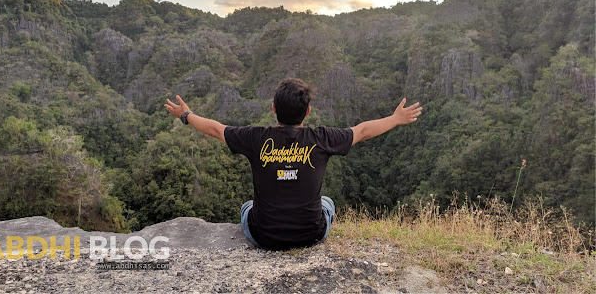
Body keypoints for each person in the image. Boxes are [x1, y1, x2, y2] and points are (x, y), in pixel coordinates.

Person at [164, 78, 422, 250]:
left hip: (263, 237)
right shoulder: (321, 138)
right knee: (328, 203)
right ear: (307, 112)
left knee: (248, 206)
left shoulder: (256, 138)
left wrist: (185, 115)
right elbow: (363, 131)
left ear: (274, 109)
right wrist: (396, 118)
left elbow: (217, 130)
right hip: (312, 234)